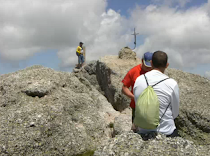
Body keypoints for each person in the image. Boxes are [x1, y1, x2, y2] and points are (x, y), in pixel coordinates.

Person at [133, 51, 179, 137]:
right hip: (166, 131)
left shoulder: (139, 80)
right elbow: (175, 113)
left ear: (151, 63)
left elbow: (138, 104)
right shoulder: (172, 84)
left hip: (143, 130)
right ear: (167, 65)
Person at [121, 52, 153, 124]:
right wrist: (134, 97)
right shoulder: (133, 71)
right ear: (142, 61)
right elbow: (124, 88)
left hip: (151, 107)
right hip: (136, 107)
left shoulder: (154, 72)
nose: (148, 68)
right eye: (146, 65)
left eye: (150, 66)